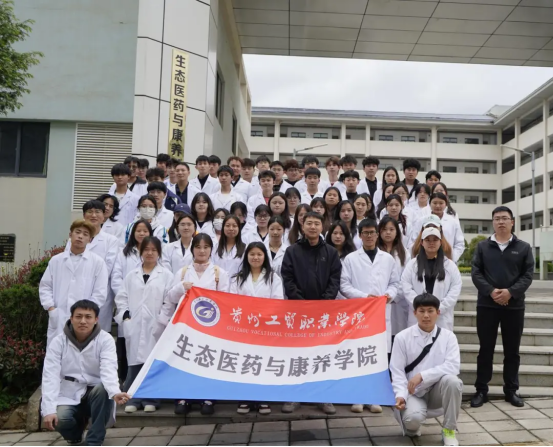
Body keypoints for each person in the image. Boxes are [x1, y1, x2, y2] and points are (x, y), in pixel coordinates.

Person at [41, 300, 130, 447]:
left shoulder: (105, 339)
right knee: (61, 420)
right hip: (68, 393)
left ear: (96, 319)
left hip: (95, 392)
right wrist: (49, 410)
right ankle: (75, 435)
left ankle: (94, 440)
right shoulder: (58, 342)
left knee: (104, 389)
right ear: (71, 318)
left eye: (88, 317)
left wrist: (114, 392)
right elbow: (50, 375)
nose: (83, 321)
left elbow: (109, 368)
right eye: (78, 316)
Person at [470, 206, 534, 409]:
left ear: (512, 222)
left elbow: (528, 275)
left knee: (512, 350)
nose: (501, 222)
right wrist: (491, 291)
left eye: (505, 218)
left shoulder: (523, 247)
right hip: (487, 305)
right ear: (493, 222)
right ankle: (481, 390)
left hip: (514, 306)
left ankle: (511, 390)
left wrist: (510, 292)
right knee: (485, 349)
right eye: (497, 218)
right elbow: (476, 272)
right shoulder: (482, 247)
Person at [281, 212, 342, 416]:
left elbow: (335, 279)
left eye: (317, 223)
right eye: (309, 223)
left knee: (321, 354)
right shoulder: (292, 251)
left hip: (323, 313)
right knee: (297, 355)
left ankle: (323, 396)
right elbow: (287, 278)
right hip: (298, 312)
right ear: (302, 226)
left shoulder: (331, 252)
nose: (313, 227)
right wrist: (301, 303)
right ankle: (295, 395)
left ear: (323, 226)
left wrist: (324, 303)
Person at [165, 233, 230, 416]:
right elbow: (170, 297)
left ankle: (207, 398)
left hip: (211, 327)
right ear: (192, 249)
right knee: (184, 360)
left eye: (206, 247)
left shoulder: (219, 273)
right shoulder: (182, 272)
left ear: (211, 250)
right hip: (186, 326)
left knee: (207, 360)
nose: (202, 251)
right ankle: (183, 398)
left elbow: (226, 299)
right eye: (198, 247)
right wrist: (181, 287)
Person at [340, 218, 400, 414]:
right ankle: (357, 397)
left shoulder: (388, 259)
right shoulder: (350, 259)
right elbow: (344, 285)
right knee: (358, 355)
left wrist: (388, 295)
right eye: (365, 233)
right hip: (359, 314)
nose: (369, 236)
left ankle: (374, 397)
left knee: (377, 356)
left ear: (377, 234)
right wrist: (364, 297)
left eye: (372, 232)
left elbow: (395, 283)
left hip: (381, 313)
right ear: (359, 235)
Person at [391, 293, 462, 447]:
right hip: (413, 392)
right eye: (421, 311)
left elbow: (453, 366)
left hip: (437, 390)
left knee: (453, 381)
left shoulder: (448, 337)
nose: (426, 316)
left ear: (438, 312)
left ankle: (449, 430)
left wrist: (422, 376)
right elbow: (397, 371)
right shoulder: (402, 337)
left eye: (430, 311)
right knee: (412, 421)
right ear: (414, 313)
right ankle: (412, 425)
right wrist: (400, 395)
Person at [114, 237, 173, 414]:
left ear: (159, 253)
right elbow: (121, 297)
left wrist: (162, 319)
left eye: (154, 250)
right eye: (146, 249)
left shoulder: (166, 275)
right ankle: (133, 398)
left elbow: (169, 301)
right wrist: (125, 316)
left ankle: (151, 399)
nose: (150, 253)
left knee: (152, 364)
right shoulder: (131, 276)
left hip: (156, 325)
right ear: (141, 252)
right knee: (134, 364)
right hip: (135, 324)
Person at [231, 241, 284, 416]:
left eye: (259, 254)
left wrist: (261, 315)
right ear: (247, 256)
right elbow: (232, 302)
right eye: (252, 254)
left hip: (265, 328)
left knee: (262, 363)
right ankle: (245, 398)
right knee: (245, 363)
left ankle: (263, 398)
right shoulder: (237, 278)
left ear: (265, 257)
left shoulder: (273, 278)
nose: (255, 257)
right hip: (244, 328)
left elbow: (277, 302)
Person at [40, 220, 108, 347]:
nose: (80, 236)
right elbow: (45, 286)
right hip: (59, 316)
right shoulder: (56, 260)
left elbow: (100, 293)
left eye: (85, 234)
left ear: (90, 240)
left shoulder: (98, 263)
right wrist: (51, 308)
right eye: (78, 232)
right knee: (56, 352)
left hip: (83, 320)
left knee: (81, 353)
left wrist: (86, 314)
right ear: (70, 234)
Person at [65, 201, 118, 333]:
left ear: (104, 216)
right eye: (90, 212)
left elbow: (108, 267)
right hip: (74, 289)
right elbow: (68, 262)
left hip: (99, 290)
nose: (93, 215)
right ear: (84, 215)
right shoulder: (74, 239)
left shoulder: (111, 240)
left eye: (97, 212)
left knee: (97, 334)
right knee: (74, 332)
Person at [112, 219, 153, 382]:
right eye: (138, 230)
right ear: (132, 233)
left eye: (145, 231)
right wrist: (125, 299)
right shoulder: (123, 253)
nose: (142, 233)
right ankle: (124, 382)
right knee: (126, 346)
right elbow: (116, 277)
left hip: (150, 307)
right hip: (129, 304)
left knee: (148, 348)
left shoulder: (155, 252)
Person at [402, 227, 462, 331]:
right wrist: (420, 308)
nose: (431, 243)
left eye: (435, 240)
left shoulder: (450, 266)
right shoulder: (412, 265)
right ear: (421, 242)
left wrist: (438, 309)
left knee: (440, 340)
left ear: (440, 242)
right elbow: (406, 287)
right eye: (427, 240)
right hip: (417, 317)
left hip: (441, 317)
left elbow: (455, 290)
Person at [378, 216, 410, 338]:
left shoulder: (404, 253)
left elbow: (406, 278)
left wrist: (393, 296)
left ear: (397, 232)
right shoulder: (375, 251)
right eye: (384, 229)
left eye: (391, 229)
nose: (388, 232)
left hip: (398, 302)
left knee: (396, 336)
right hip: (378, 301)